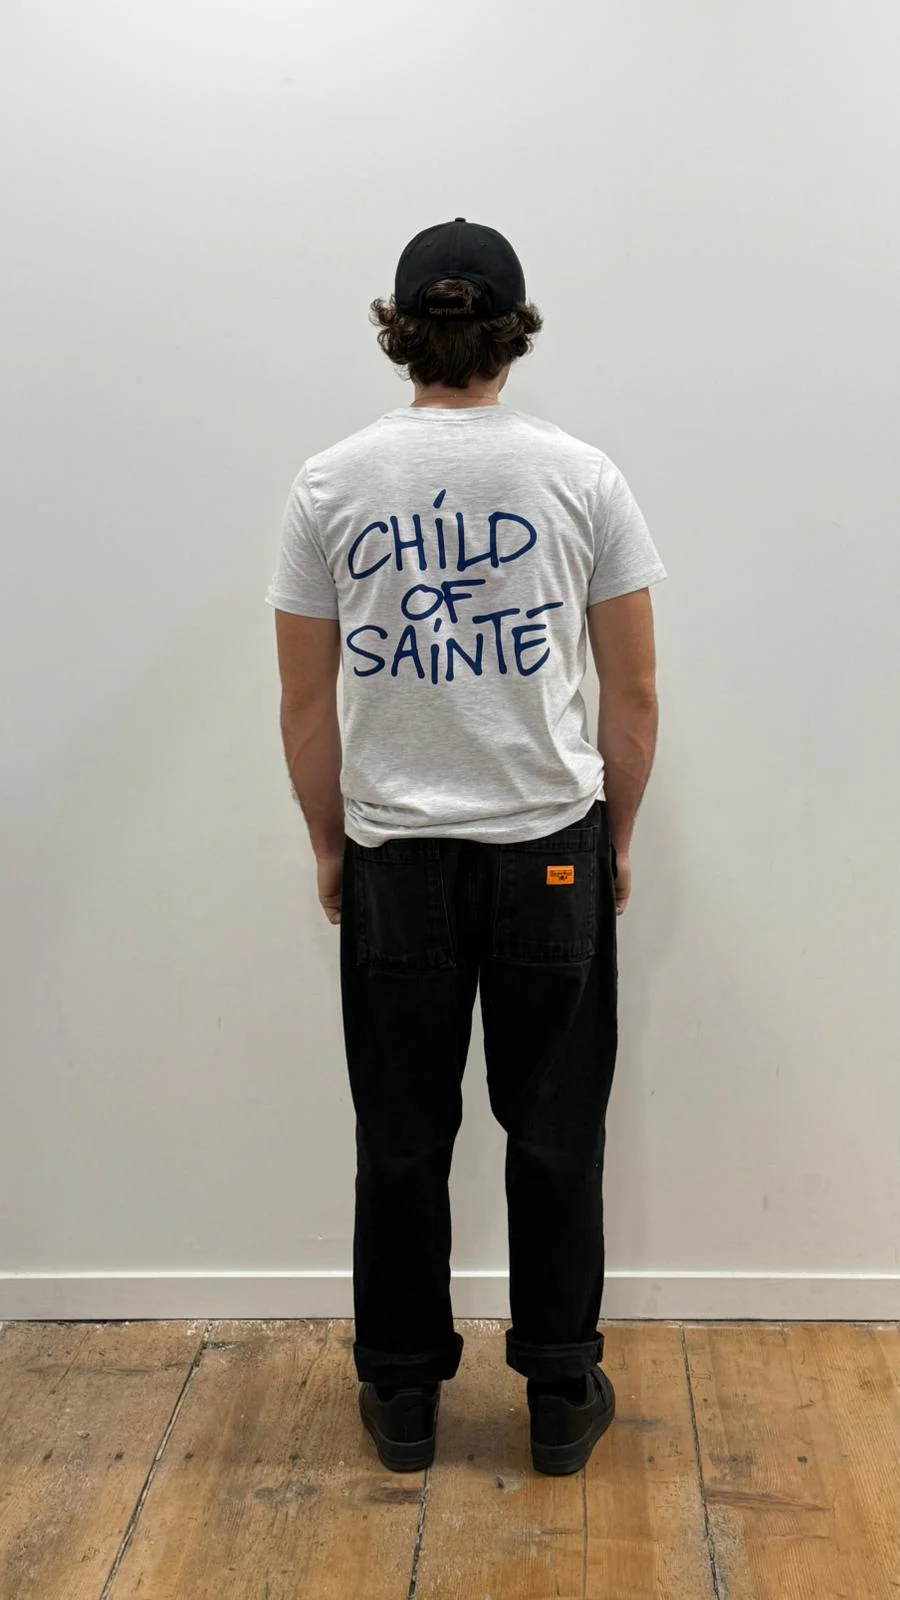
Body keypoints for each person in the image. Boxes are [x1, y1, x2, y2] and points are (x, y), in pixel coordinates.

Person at [266, 218, 666, 1476]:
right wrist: (615, 839)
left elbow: (304, 703)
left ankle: (400, 1395)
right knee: (556, 1128)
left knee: (400, 1135)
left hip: (399, 857)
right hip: (548, 843)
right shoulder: (582, 477)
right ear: (511, 333)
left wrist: (330, 845)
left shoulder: (330, 484)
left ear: (400, 333)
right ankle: (559, 1389)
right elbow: (633, 694)